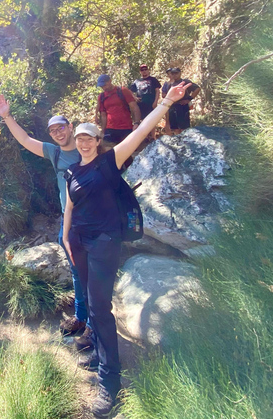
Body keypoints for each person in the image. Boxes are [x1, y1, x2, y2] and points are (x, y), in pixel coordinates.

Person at [63, 82, 193, 417]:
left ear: (98, 140)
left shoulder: (109, 162)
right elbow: (70, 206)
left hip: (104, 242)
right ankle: (100, 354)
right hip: (79, 241)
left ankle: (109, 382)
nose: (84, 142)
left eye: (89, 137)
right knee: (91, 301)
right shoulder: (72, 171)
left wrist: (165, 103)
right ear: (76, 142)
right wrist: (65, 237)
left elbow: (140, 132)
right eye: (80, 138)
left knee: (99, 308)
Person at [0, 95, 93, 350]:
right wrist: (7, 116)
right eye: (53, 130)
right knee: (77, 273)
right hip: (68, 223)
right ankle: (81, 318)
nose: (58, 133)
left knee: (92, 274)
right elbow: (26, 140)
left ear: (70, 127)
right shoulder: (53, 152)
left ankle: (94, 328)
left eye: (61, 128)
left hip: (92, 222)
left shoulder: (86, 148)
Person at [95, 74, 141, 148]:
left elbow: (134, 107)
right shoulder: (102, 96)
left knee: (127, 151)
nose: (104, 88)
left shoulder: (122, 91)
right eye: (101, 86)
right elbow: (103, 115)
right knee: (109, 151)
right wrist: (103, 131)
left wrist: (136, 123)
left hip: (125, 128)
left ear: (110, 81)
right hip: (110, 129)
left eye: (105, 85)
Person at [162, 67, 200, 135]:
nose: (174, 75)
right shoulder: (169, 83)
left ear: (180, 73)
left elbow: (197, 89)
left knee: (184, 127)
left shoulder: (185, 82)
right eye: (172, 73)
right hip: (172, 106)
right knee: (175, 128)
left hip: (182, 106)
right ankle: (178, 140)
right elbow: (164, 94)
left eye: (176, 73)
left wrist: (189, 99)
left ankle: (184, 140)